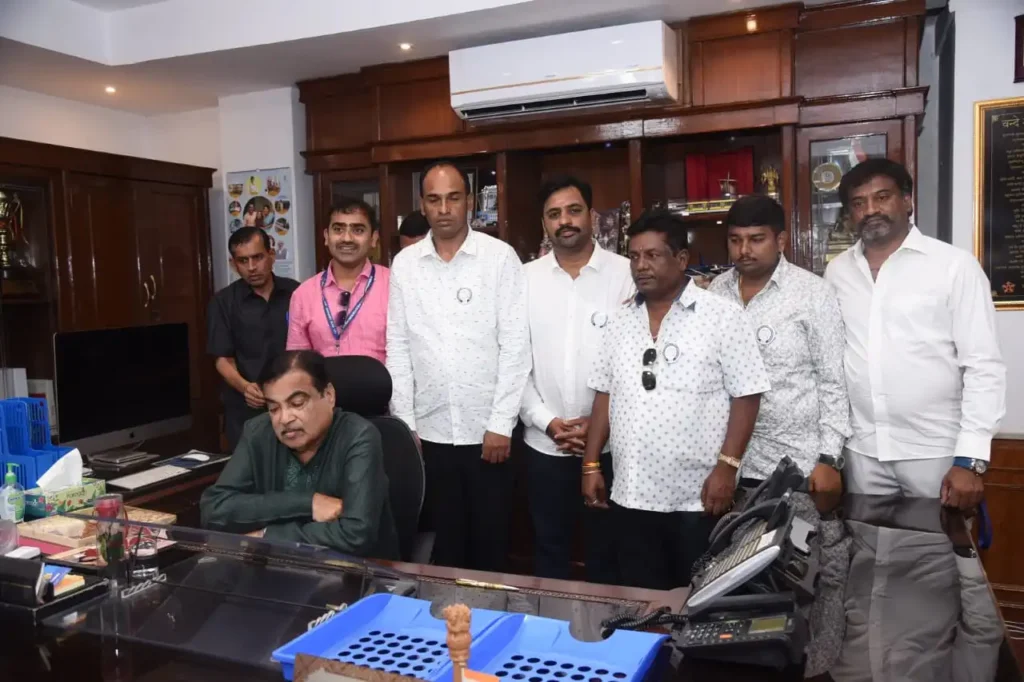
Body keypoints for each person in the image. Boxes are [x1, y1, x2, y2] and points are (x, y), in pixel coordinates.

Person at [582, 209, 771, 590]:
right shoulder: (619, 321)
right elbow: (604, 394)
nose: (641, 266)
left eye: (652, 255)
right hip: (631, 493)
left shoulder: (722, 317)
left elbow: (747, 396)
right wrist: (590, 464)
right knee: (641, 599)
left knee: (698, 598)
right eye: (634, 256)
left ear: (681, 259)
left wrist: (727, 469)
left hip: (697, 497)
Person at [825, 158, 1006, 510]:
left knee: (937, 545)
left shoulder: (953, 266)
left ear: (907, 201)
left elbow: (983, 365)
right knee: (866, 544)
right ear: (849, 214)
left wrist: (970, 459)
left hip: (935, 452)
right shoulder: (837, 272)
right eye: (859, 203)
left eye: (882, 197)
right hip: (862, 450)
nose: (870, 210)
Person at [386, 160, 530, 571]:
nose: (444, 209)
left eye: (453, 198)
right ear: (422, 205)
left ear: (469, 201)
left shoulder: (499, 257)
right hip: (429, 432)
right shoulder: (406, 264)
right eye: (434, 200)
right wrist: (405, 424)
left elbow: (516, 346)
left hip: (489, 435)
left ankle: (490, 614)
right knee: (445, 548)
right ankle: (450, 614)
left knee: (491, 547)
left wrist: (501, 423)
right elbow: (398, 345)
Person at [520, 175, 633, 582]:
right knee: (549, 552)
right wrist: (548, 422)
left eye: (573, 210)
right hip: (543, 445)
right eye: (554, 214)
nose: (564, 221)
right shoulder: (523, 279)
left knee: (609, 556)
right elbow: (513, 363)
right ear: (544, 224)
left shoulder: (626, 273)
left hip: (613, 447)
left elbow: (634, 362)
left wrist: (598, 425)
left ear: (592, 215)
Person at [708, 195, 850, 495]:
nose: (744, 250)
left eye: (756, 239)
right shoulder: (717, 291)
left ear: (781, 241)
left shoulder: (813, 293)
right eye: (735, 240)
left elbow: (833, 381)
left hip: (795, 463)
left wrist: (829, 458)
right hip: (725, 462)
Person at [200, 350, 400, 559]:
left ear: (328, 395)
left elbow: (356, 534)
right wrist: (308, 503)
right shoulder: (258, 432)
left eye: (297, 403)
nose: (285, 418)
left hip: (357, 571)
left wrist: (267, 536)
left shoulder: (358, 435)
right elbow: (214, 510)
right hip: (276, 567)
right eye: (274, 408)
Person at [207, 226, 299, 450]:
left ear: (271, 255)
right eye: (243, 260)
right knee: (252, 469)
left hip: (295, 403)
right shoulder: (223, 302)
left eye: (257, 257)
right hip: (247, 409)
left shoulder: (297, 293)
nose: (251, 267)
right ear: (233, 264)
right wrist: (245, 387)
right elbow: (222, 358)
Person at [287, 198, 389, 362]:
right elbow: (298, 362)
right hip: (323, 380)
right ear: (326, 236)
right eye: (338, 229)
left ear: (373, 238)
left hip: (384, 379)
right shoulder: (303, 294)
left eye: (358, 230)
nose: (347, 238)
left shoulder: (393, 285)